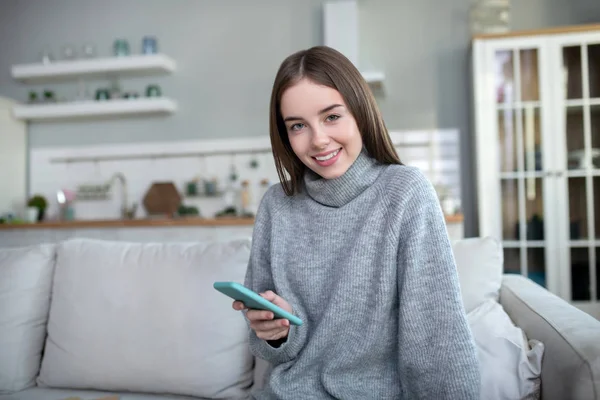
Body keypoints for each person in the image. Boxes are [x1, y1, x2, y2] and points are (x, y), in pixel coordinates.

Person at [232, 45, 480, 399]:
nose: (318, 140)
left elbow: (436, 338)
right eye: (298, 125)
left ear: (360, 113)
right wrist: (277, 332)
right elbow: (271, 348)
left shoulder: (405, 193)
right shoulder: (277, 204)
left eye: (332, 117)